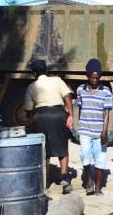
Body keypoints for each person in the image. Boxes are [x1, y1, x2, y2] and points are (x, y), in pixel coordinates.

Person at [23, 59, 75, 194]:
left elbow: (28, 110)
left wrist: (32, 117)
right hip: (58, 114)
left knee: (44, 148)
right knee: (62, 146)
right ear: (46, 70)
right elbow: (67, 97)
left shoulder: (31, 87)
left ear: (34, 73)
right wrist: (70, 115)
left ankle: (44, 181)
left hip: (40, 116)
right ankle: (65, 178)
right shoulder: (57, 80)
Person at [76, 58, 113, 196]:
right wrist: (78, 126)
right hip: (85, 129)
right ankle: (88, 181)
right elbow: (80, 108)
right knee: (85, 156)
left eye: (97, 78)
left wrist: (104, 132)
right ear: (87, 76)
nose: (95, 80)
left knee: (100, 158)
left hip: (99, 131)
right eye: (92, 77)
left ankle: (98, 187)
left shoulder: (106, 92)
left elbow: (106, 113)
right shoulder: (80, 90)